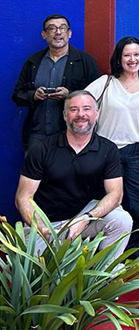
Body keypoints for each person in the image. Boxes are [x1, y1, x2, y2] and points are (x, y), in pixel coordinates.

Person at [15, 90, 132, 261]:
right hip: (46, 224)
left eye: (86, 109)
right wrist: (44, 229)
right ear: (64, 115)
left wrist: (86, 218)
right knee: (38, 280)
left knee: (121, 220)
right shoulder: (42, 148)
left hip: (83, 219)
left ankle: (105, 274)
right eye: (74, 109)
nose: (81, 115)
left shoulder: (108, 149)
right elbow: (23, 198)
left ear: (96, 113)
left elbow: (116, 195)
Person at [85, 36, 139, 250]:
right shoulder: (105, 83)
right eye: (126, 55)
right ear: (119, 59)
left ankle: (134, 251)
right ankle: (107, 251)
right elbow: (81, 103)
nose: (132, 59)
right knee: (109, 204)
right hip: (107, 151)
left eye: (136, 54)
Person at [12, 14, 100, 150]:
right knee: (33, 171)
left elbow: (97, 100)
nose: (58, 32)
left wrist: (69, 95)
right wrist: (33, 95)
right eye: (52, 28)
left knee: (67, 172)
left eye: (62, 28)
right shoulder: (33, 62)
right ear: (44, 35)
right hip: (37, 135)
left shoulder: (86, 62)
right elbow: (17, 94)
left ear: (69, 33)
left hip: (72, 136)